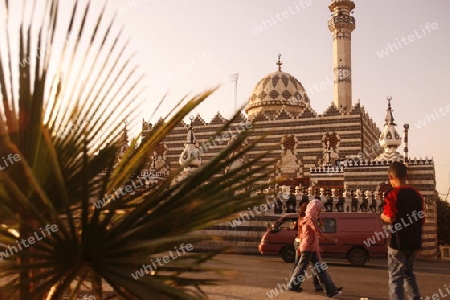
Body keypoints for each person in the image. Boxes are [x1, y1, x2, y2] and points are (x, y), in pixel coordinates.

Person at [381, 161, 425, 300]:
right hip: (414, 242)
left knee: (395, 278)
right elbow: (422, 219)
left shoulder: (392, 194)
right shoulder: (416, 194)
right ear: (406, 175)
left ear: (391, 177)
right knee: (409, 275)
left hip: (397, 242)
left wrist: (381, 215)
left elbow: (390, 217)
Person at [289, 199, 342, 298]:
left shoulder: (308, 218)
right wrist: (333, 240)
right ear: (315, 209)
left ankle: (331, 290)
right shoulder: (310, 219)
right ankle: (293, 286)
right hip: (309, 247)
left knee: (317, 269)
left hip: (309, 247)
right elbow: (318, 233)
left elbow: (304, 235)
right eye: (319, 208)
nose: (320, 211)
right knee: (304, 268)